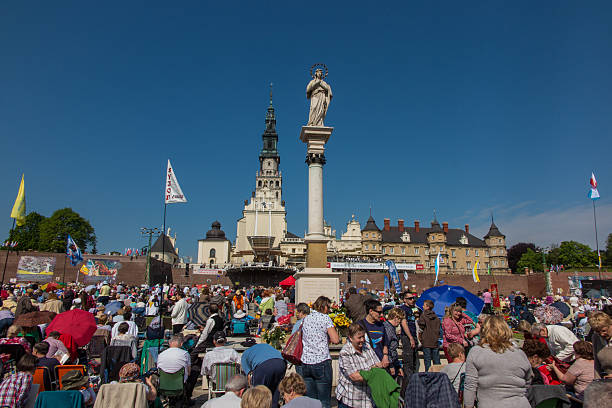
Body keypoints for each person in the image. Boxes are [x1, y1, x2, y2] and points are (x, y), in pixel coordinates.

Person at [463, 316, 532, 408]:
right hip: (519, 403)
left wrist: (468, 405)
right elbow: (528, 380)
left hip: (490, 403)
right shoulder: (519, 353)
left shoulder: (476, 352)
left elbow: (470, 385)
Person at [296, 296, 339, 408]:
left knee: (311, 401)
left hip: (306, 361)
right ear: (324, 307)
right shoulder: (325, 318)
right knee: (324, 401)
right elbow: (335, 339)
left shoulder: (305, 319)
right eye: (328, 307)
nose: (329, 310)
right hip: (321, 361)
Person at [336, 322, 382, 408]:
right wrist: (374, 372)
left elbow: (379, 364)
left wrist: (370, 372)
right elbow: (355, 376)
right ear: (350, 338)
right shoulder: (345, 353)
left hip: (368, 399)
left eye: (363, 337)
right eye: (359, 337)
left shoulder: (367, 346)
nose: (362, 340)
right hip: (351, 399)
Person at [241, 342, 286, 408]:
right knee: (276, 391)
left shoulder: (245, 353)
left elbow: (248, 375)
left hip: (264, 366)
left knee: (258, 394)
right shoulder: (266, 345)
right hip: (281, 363)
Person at [358, 299, 390, 365]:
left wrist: (385, 356)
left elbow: (385, 344)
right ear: (371, 311)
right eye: (379, 312)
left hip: (380, 363)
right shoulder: (359, 325)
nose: (381, 315)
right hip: (365, 363)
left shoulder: (381, 326)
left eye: (382, 312)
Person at [398, 292, 419, 379]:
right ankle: (408, 381)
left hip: (414, 335)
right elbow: (404, 324)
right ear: (405, 300)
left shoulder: (414, 309)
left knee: (415, 361)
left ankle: (414, 379)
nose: (412, 300)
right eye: (410, 298)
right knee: (408, 360)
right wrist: (410, 338)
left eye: (413, 298)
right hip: (407, 336)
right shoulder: (403, 309)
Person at [418, 299, 441, 372]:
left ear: (427, 307)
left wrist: (420, 336)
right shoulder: (436, 317)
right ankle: (438, 375)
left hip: (426, 341)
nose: (422, 306)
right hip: (435, 340)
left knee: (427, 362)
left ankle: (428, 377)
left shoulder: (423, 315)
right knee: (437, 361)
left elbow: (421, 327)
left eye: (424, 305)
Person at [383, 307, 404, 378]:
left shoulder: (391, 328)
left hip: (393, 360)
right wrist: (391, 365)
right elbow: (386, 347)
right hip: (389, 362)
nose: (400, 322)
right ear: (395, 317)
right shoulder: (388, 328)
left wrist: (398, 366)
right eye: (400, 319)